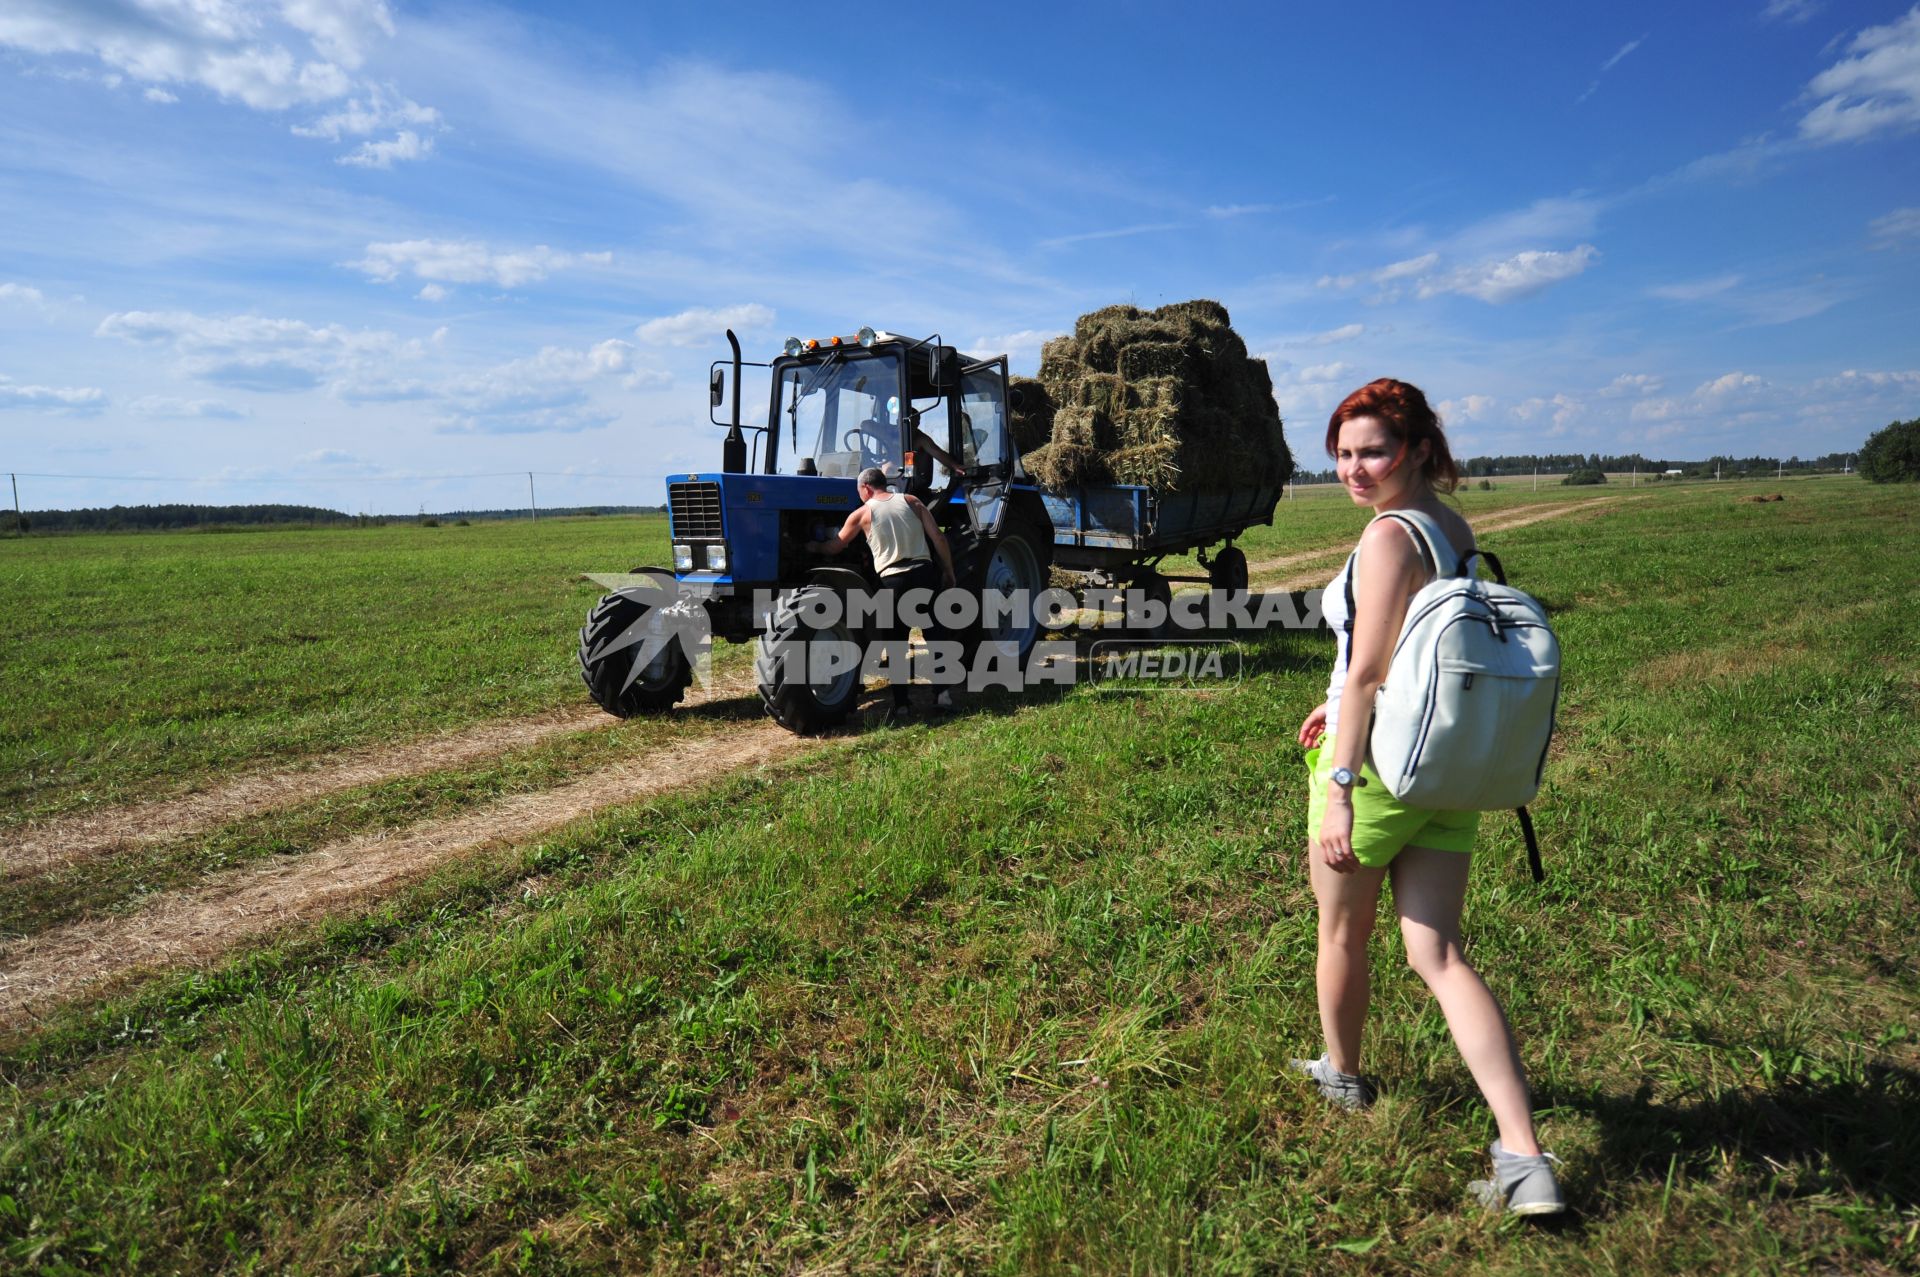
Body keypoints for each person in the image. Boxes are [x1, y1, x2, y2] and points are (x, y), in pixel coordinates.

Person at [1292, 378, 1565, 1217]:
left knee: (1342, 930)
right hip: (1444, 767)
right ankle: (1525, 1156)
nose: (1354, 469)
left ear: (1412, 448)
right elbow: (1417, 647)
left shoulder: (1386, 537)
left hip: (1375, 771)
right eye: (1342, 453)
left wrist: (1339, 789)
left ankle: (1342, 1074)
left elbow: (1372, 669)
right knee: (1439, 954)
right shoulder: (1453, 524)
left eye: (1371, 450)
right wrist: (1335, 699)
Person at [808, 466, 959, 723]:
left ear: (866, 488)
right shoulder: (912, 501)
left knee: (896, 643)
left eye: (859, 491)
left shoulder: (862, 513)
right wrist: (948, 572)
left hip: (893, 581)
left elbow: (836, 546)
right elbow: (939, 539)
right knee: (935, 635)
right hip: (924, 573)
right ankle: (943, 695)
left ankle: (902, 706)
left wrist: (812, 546)